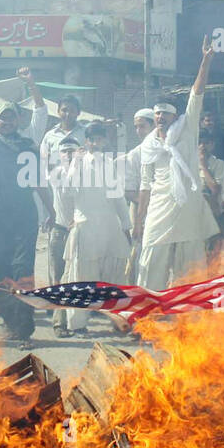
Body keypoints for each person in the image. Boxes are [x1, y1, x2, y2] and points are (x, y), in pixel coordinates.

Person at [0, 58, 54, 350]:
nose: (6, 121)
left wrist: (51, 209)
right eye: (1, 118)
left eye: (11, 117)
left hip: (23, 218)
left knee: (22, 271)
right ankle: (7, 323)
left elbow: (38, 182)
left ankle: (23, 329)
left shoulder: (28, 145)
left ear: (18, 120)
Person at [135, 38, 220, 290]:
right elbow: (144, 184)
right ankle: (147, 316)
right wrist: (139, 220)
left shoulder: (187, 128)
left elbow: (196, 95)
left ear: (175, 116)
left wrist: (205, 61)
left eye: (166, 113)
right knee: (151, 264)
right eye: (157, 113)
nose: (161, 117)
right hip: (159, 208)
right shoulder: (148, 145)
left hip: (187, 208)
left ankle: (187, 320)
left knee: (189, 269)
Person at [62, 123, 131, 336]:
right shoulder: (78, 163)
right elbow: (67, 191)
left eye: (100, 138)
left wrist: (126, 225)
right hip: (87, 226)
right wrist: (69, 220)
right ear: (87, 141)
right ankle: (78, 324)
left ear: (105, 140)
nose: (96, 143)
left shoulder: (110, 163)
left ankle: (118, 320)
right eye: (92, 139)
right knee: (83, 277)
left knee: (115, 276)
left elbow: (118, 198)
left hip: (110, 227)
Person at [46, 135, 81, 337]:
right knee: (57, 279)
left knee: (76, 277)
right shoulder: (55, 174)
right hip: (59, 231)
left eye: (72, 150)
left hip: (79, 231)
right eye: (65, 151)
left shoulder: (87, 175)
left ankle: (75, 320)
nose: (68, 154)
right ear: (59, 155)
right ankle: (59, 323)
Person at [121, 108, 154, 279]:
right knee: (138, 255)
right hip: (140, 211)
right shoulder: (135, 155)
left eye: (142, 126)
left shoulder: (168, 149)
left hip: (165, 209)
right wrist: (147, 205)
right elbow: (129, 190)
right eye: (136, 127)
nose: (139, 131)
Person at [198, 129, 224, 262]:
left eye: (206, 143)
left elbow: (214, 189)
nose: (202, 146)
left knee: (212, 253)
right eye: (199, 143)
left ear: (212, 145)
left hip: (213, 213)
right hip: (193, 214)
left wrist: (203, 166)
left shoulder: (218, 164)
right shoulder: (188, 162)